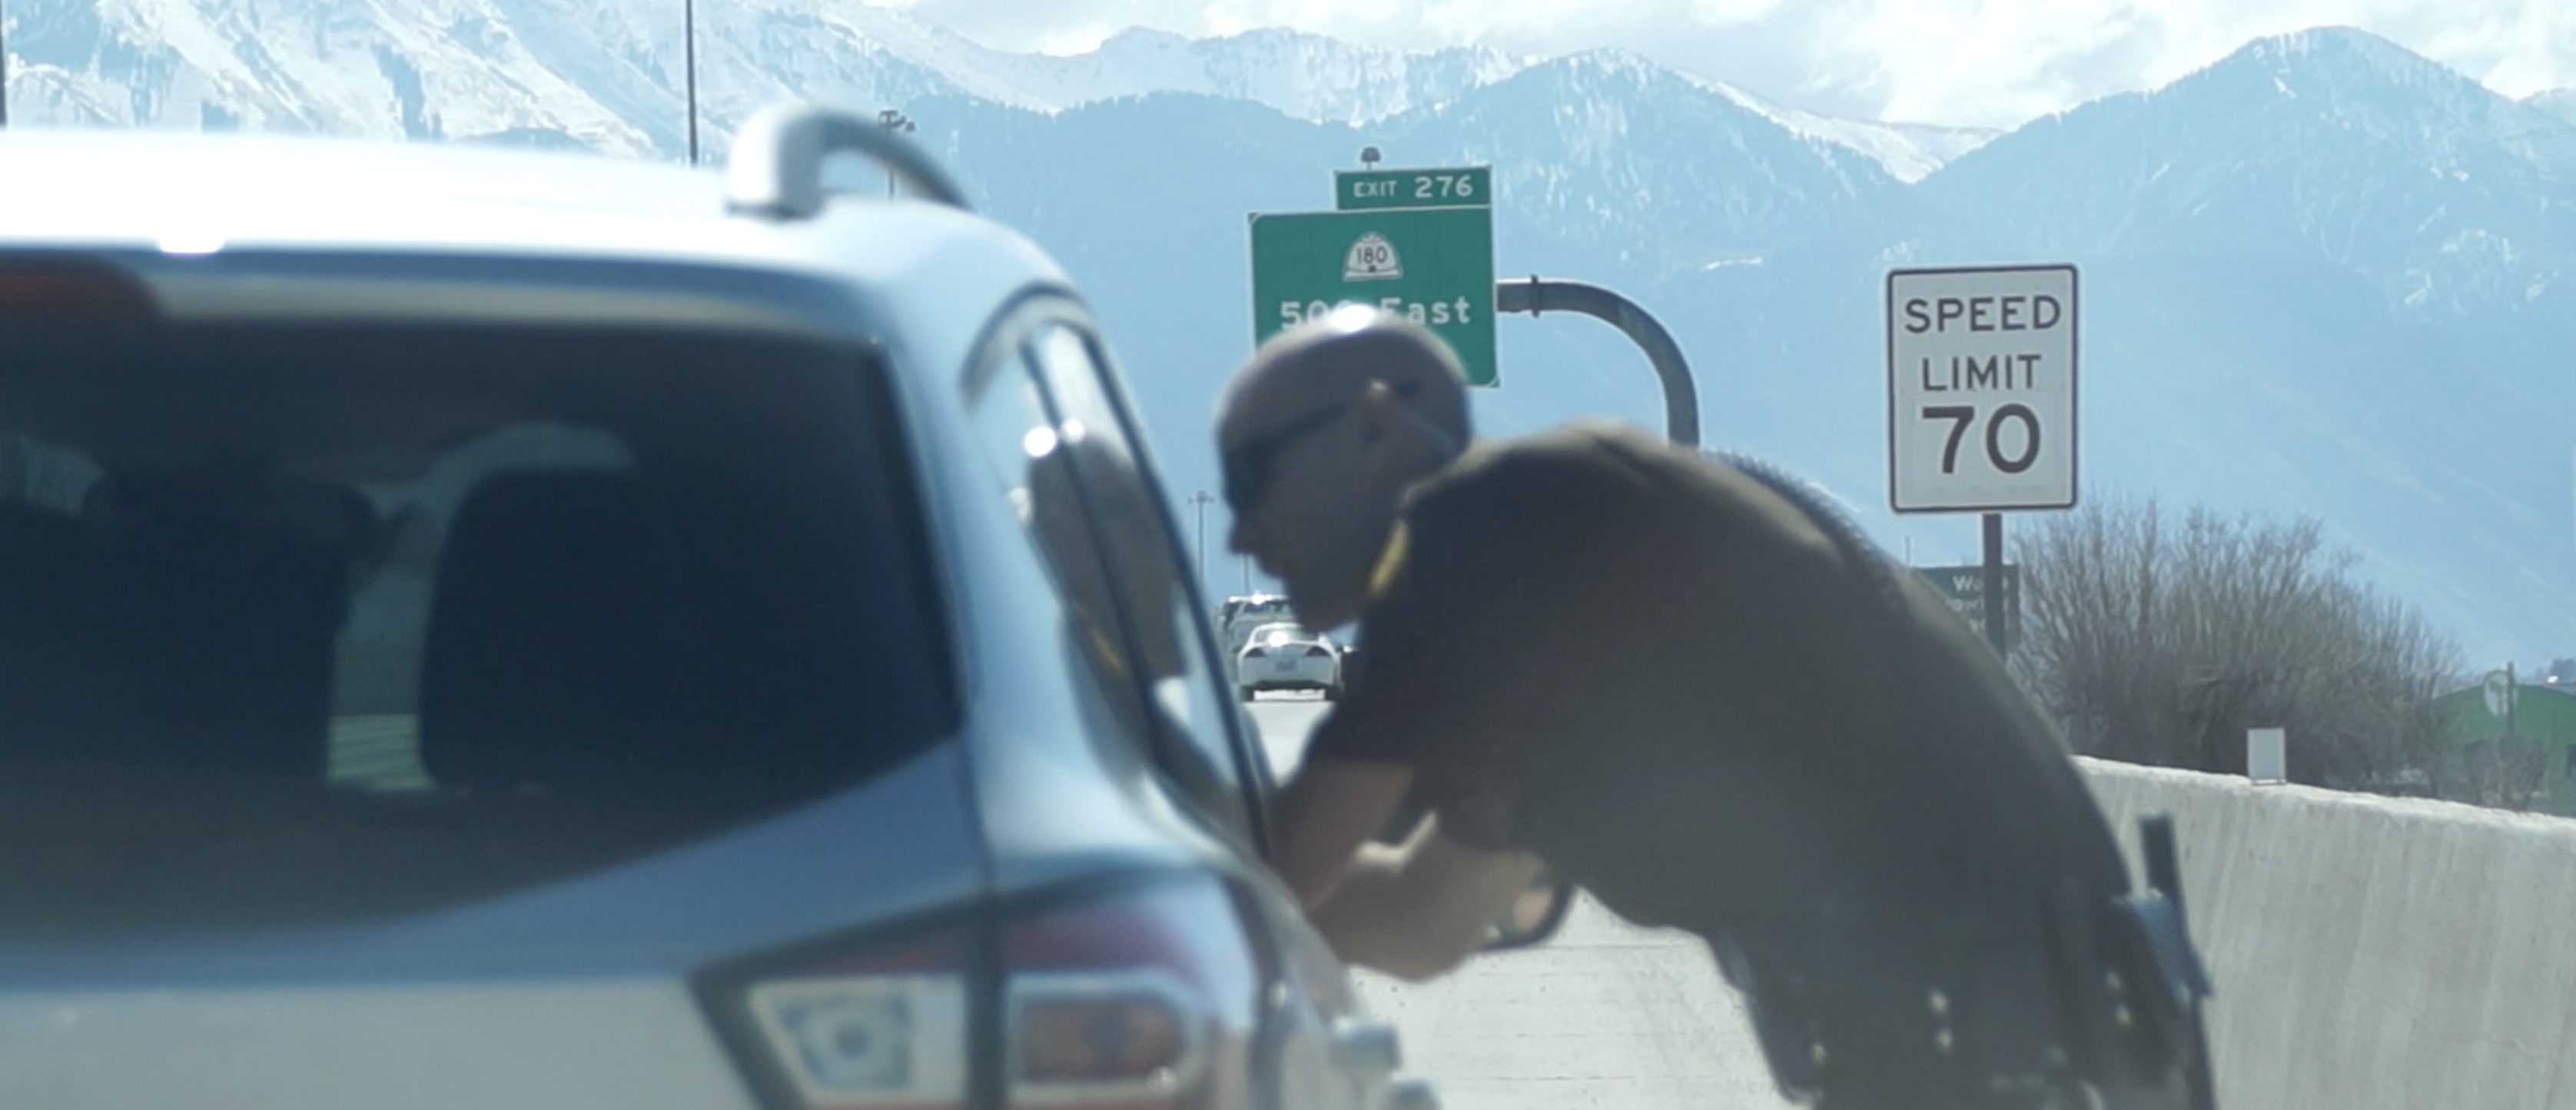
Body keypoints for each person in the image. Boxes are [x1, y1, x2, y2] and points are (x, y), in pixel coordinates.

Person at [1216, 306, 2206, 1110]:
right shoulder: (1556, 591)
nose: (1244, 533)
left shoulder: (1476, 535)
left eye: (1253, 477)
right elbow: (1428, 922)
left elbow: (1284, 874)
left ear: (1378, 428)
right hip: (2027, 1034)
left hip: (1982, 1040)